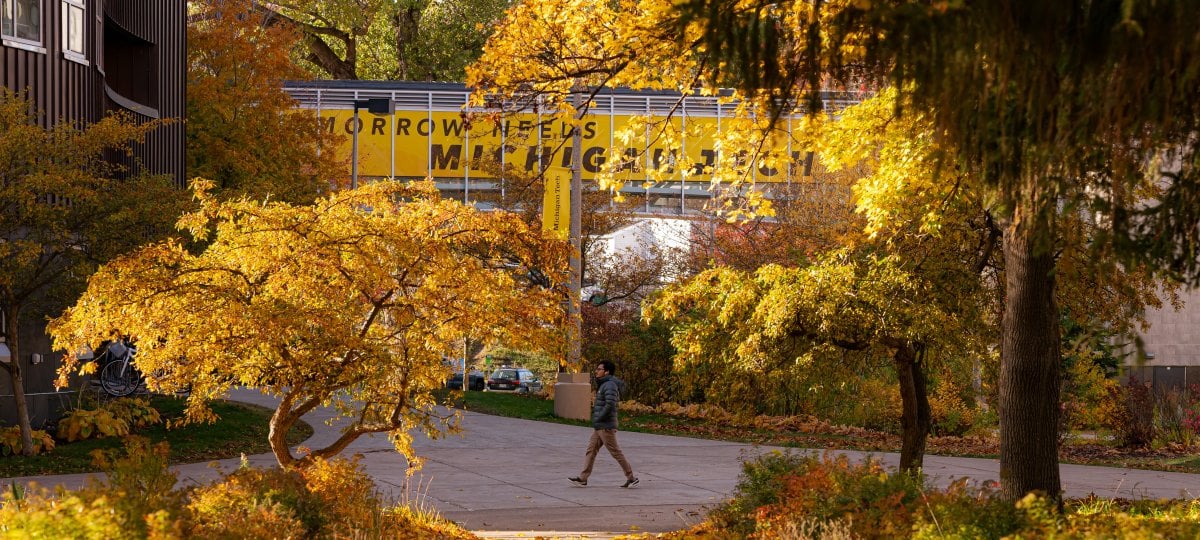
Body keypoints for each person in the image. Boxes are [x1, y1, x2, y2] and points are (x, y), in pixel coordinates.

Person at [569, 360, 639, 488]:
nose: (596, 371)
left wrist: (600, 417)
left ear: (606, 371)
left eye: (599, 369)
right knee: (591, 450)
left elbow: (610, 404)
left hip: (606, 426)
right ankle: (583, 478)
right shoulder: (604, 384)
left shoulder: (610, 385)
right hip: (600, 426)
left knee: (616, 452)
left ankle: (631, 478)